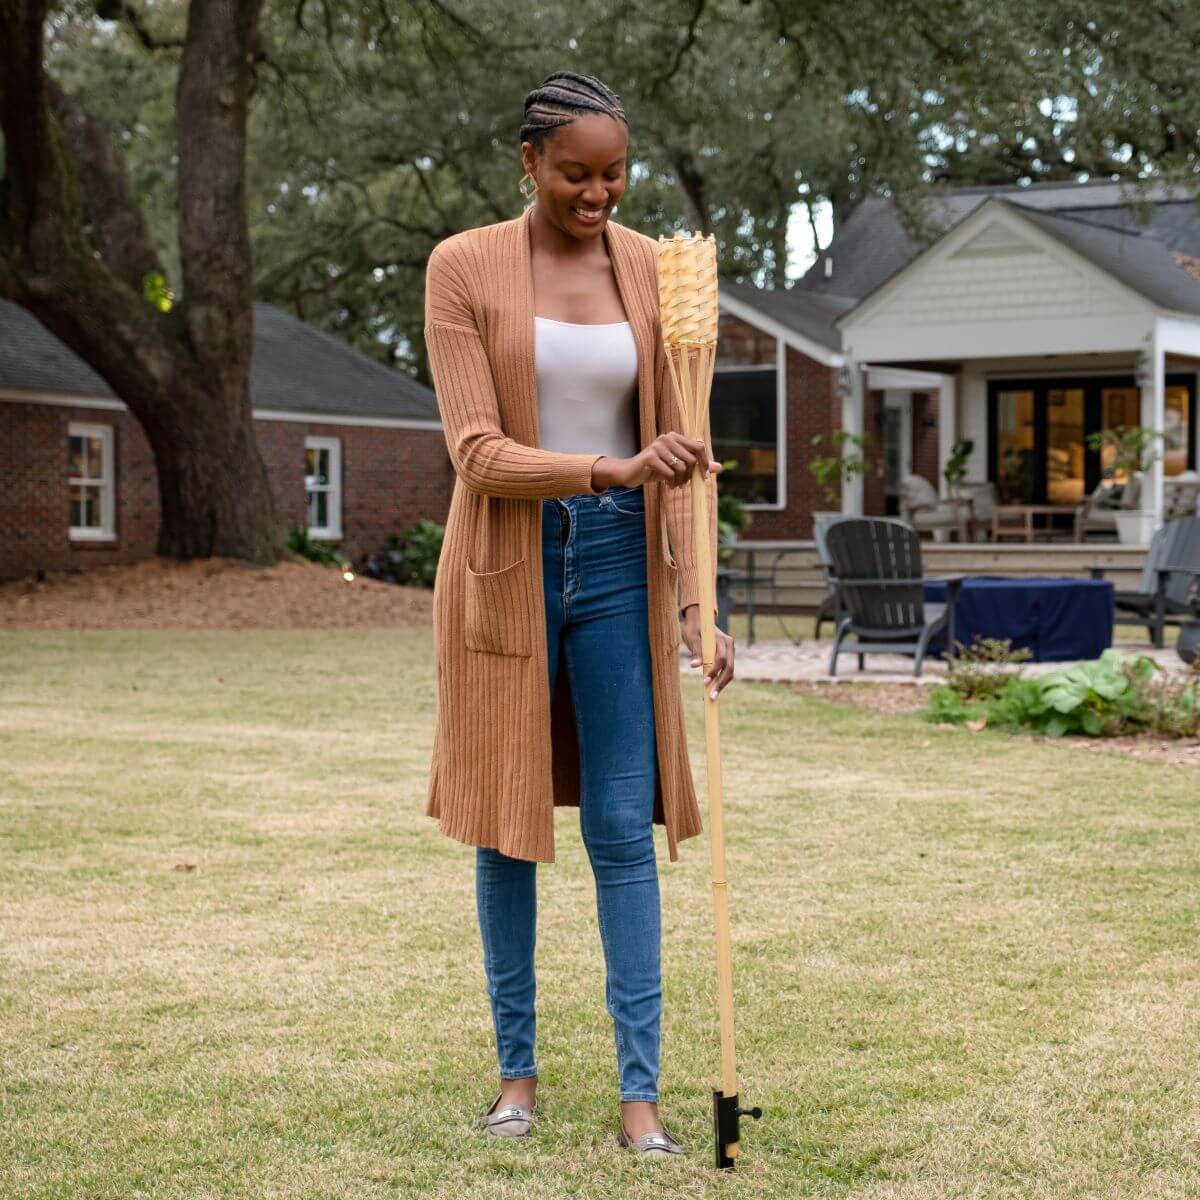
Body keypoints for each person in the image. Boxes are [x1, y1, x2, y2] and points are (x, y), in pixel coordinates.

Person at [422, 69, 735, 1158]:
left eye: (615, 174)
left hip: (619, 569)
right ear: (528, 164)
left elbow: (686, 455)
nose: (599, 194)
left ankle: (639, 1098)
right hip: (504, 560)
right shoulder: (462, 267)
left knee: (618, 826)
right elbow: (476, 454)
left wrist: (697, 602)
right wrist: (611, 467)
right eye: (575, 174)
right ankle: (516, 1078)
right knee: (508, 827)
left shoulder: (656, 271)